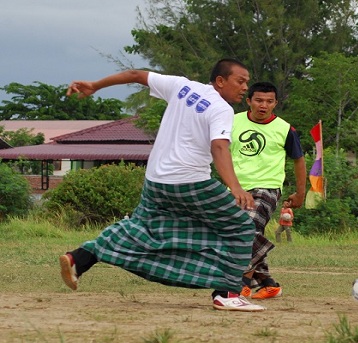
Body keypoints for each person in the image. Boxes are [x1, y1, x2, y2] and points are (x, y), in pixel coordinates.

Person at [59, 59, 266, 312]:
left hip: (156, 180)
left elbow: (135, 74)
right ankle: (228, 292)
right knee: (241, 227)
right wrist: (235, 187)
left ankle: (80, 258)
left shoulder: (181, 86)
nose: (245, 87)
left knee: (141, 226)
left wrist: (95, 85)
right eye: (240, 81)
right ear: (220, 81)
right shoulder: (221, 109)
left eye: (246, 82)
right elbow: (219, 146)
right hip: (191, 182)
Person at [229, 81, 306, 300]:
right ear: (249, 101)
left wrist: (300, 193)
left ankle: (240, 283)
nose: (264, 105)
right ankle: (268, 284)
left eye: (269, 101)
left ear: (275, 103)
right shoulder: (231, 122)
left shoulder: (285, 129)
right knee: (240, 231)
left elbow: (298, 161)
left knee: (248, 227)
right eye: (259, 100)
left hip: (267, 187)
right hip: (236, 188)